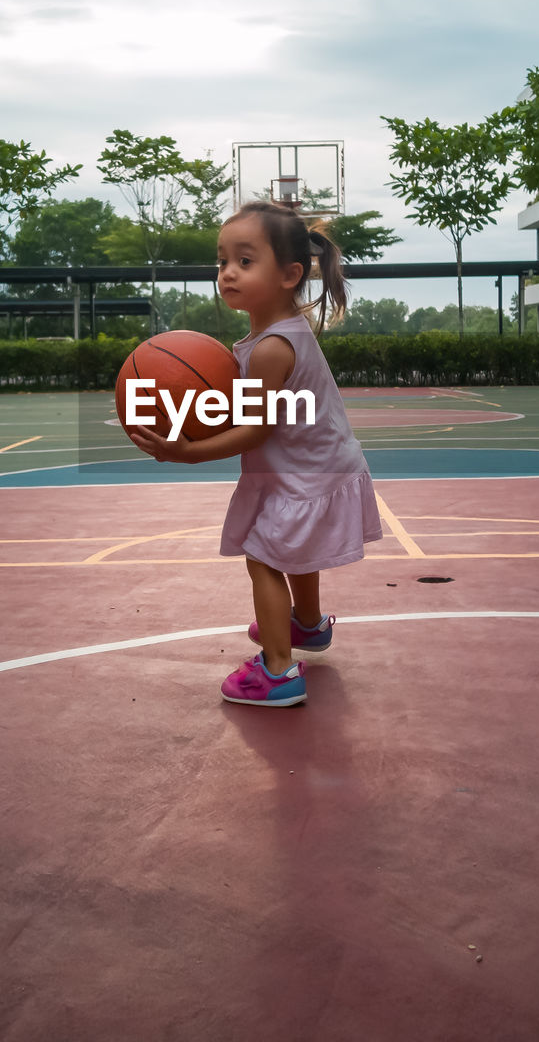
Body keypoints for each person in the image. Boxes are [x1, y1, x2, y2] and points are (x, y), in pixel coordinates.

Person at [130, 200, 382, 707]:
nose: (227, 273)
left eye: (246, 261)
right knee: (292, 553)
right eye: (222, 261)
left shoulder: (271, 349)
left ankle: (279, 671)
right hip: (314, 469)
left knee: (263, 559)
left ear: (290, 274)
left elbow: (252, 431)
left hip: (304, 477)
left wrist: (186, 451)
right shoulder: (269, 336)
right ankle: (307, 625)